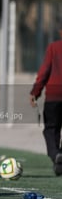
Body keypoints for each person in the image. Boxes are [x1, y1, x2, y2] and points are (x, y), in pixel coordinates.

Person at [29, 30, 62, 176]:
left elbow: (44, 71)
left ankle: (55, 154)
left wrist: (35, 92)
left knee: (50, 129)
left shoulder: (53, 47)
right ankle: (59, 158)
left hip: (54, 96)